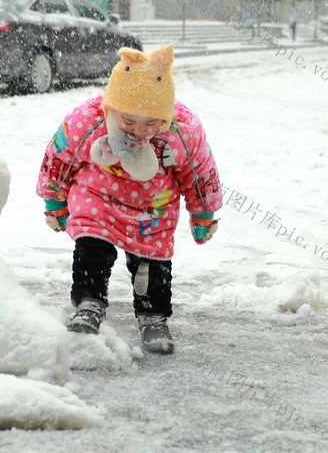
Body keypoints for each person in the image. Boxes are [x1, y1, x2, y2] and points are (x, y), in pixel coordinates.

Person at [36, 44, 223, 353]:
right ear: (111, 109)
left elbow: (200, 173)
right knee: (91, 249)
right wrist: (54, 200)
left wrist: (203, 213)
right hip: (98, 195)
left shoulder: (183, 131)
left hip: (154, 206)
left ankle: (153, 315)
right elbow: (59, 158)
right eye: (129, 122)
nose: (139, 132)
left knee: (151, 264)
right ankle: (89, 303)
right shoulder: (88, 120)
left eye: (151, 123)